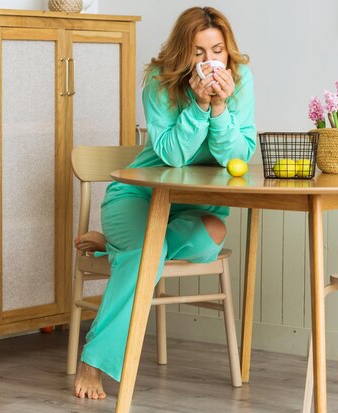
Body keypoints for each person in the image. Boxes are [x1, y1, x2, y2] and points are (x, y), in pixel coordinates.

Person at [73, 6, 256, 400]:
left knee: (212, 235)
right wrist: (199, 105)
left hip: (193, 206)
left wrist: (221, 108)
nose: (211, 62)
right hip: (139, 197)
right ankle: (95, 361)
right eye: (198, 53)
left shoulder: (240, 82)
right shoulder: (159, 81)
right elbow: (173, 155)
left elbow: (237, 154)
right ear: (182, 53)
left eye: (218, 50)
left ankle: (117, 244)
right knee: (145, 256)